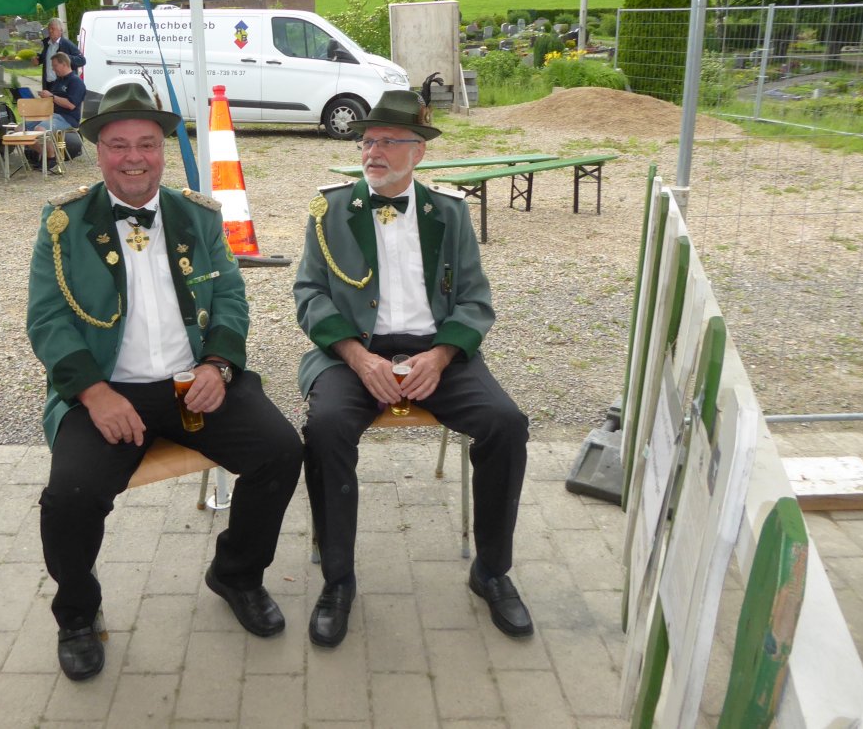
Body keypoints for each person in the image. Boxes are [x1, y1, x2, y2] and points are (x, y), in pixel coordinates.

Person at [26, 81, 302, 682]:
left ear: (163, 149)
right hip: (108, 391)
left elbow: (230, 297)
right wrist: (94, 393)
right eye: (119, 144)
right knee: (70, 497)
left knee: (281, 451)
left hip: (193, 381)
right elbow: (47, 320)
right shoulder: (63, 223)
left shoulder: (197, 215)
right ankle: (77, 613)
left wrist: (218, 365)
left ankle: (236, 574)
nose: (134, 158)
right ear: (98, 150)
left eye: (147, 144)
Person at [293, 89, 532, 648]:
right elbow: (309, 294)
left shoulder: (448, 211)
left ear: (418, 152)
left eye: (387, 141)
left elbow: (474, 299)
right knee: (325, 428)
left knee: (505, 424)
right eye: (366, 140)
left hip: (435, 350)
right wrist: (357, 356)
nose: (372, 152)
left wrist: (442, 355)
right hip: (355, 351)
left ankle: (491, 571)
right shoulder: (329, 210)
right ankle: (338, 579)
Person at [31, 52, 87, 164]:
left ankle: (51, 158)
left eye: (55, 65)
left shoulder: (76, 82)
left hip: (67, 118)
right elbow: (52, 99)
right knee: (20, 129)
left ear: (64, 64)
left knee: (40, 129)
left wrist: (51, 96)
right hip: (50, 115)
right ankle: (46, 155)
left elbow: (71, 105)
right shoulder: (58, 81)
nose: (53, 69)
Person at [34, 17, 84, 91]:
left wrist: (66, 58)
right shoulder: (47, 44)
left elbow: (82, 60)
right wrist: (38, 60)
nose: (50, 31)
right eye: (49, 29)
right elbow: (46, 58)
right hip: (48, 84)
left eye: (53, 29)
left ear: (60, 30)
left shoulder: (67, 44)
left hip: (62, 85)